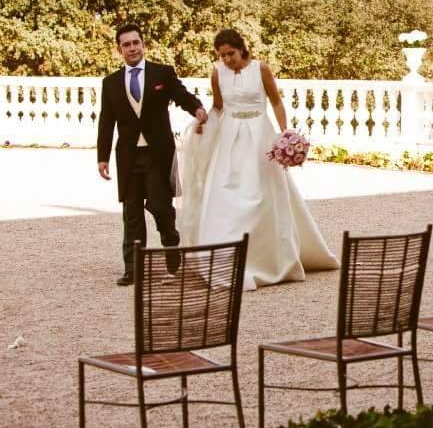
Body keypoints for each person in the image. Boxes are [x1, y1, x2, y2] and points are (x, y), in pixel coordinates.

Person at [177, 28, 338, 290]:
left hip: (259, 135)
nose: (227, 59)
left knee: (264, 191)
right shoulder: (218, 73)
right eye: (222, 55)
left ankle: (271, 257)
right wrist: (204, 121)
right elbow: (219, 106)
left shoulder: (260, 69)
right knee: (225, 191)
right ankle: (226, 257)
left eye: (231, 53)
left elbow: (275, 102)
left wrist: (284, 134)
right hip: (229, 137)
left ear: (242, 48)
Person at [97, 24, 208, 286]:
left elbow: (180, 94)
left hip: (158, 155)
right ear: (119, 49)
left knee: (159, 206)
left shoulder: (162, 73)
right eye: (126, 44)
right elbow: (106, 121)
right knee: (132, 213)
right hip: (128, 157)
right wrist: (102, 157)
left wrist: (197, 108)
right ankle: (133, 268)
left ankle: (171, 243)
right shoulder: (110, 83)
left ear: (143, 44)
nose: (132, 48)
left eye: (136, 42)